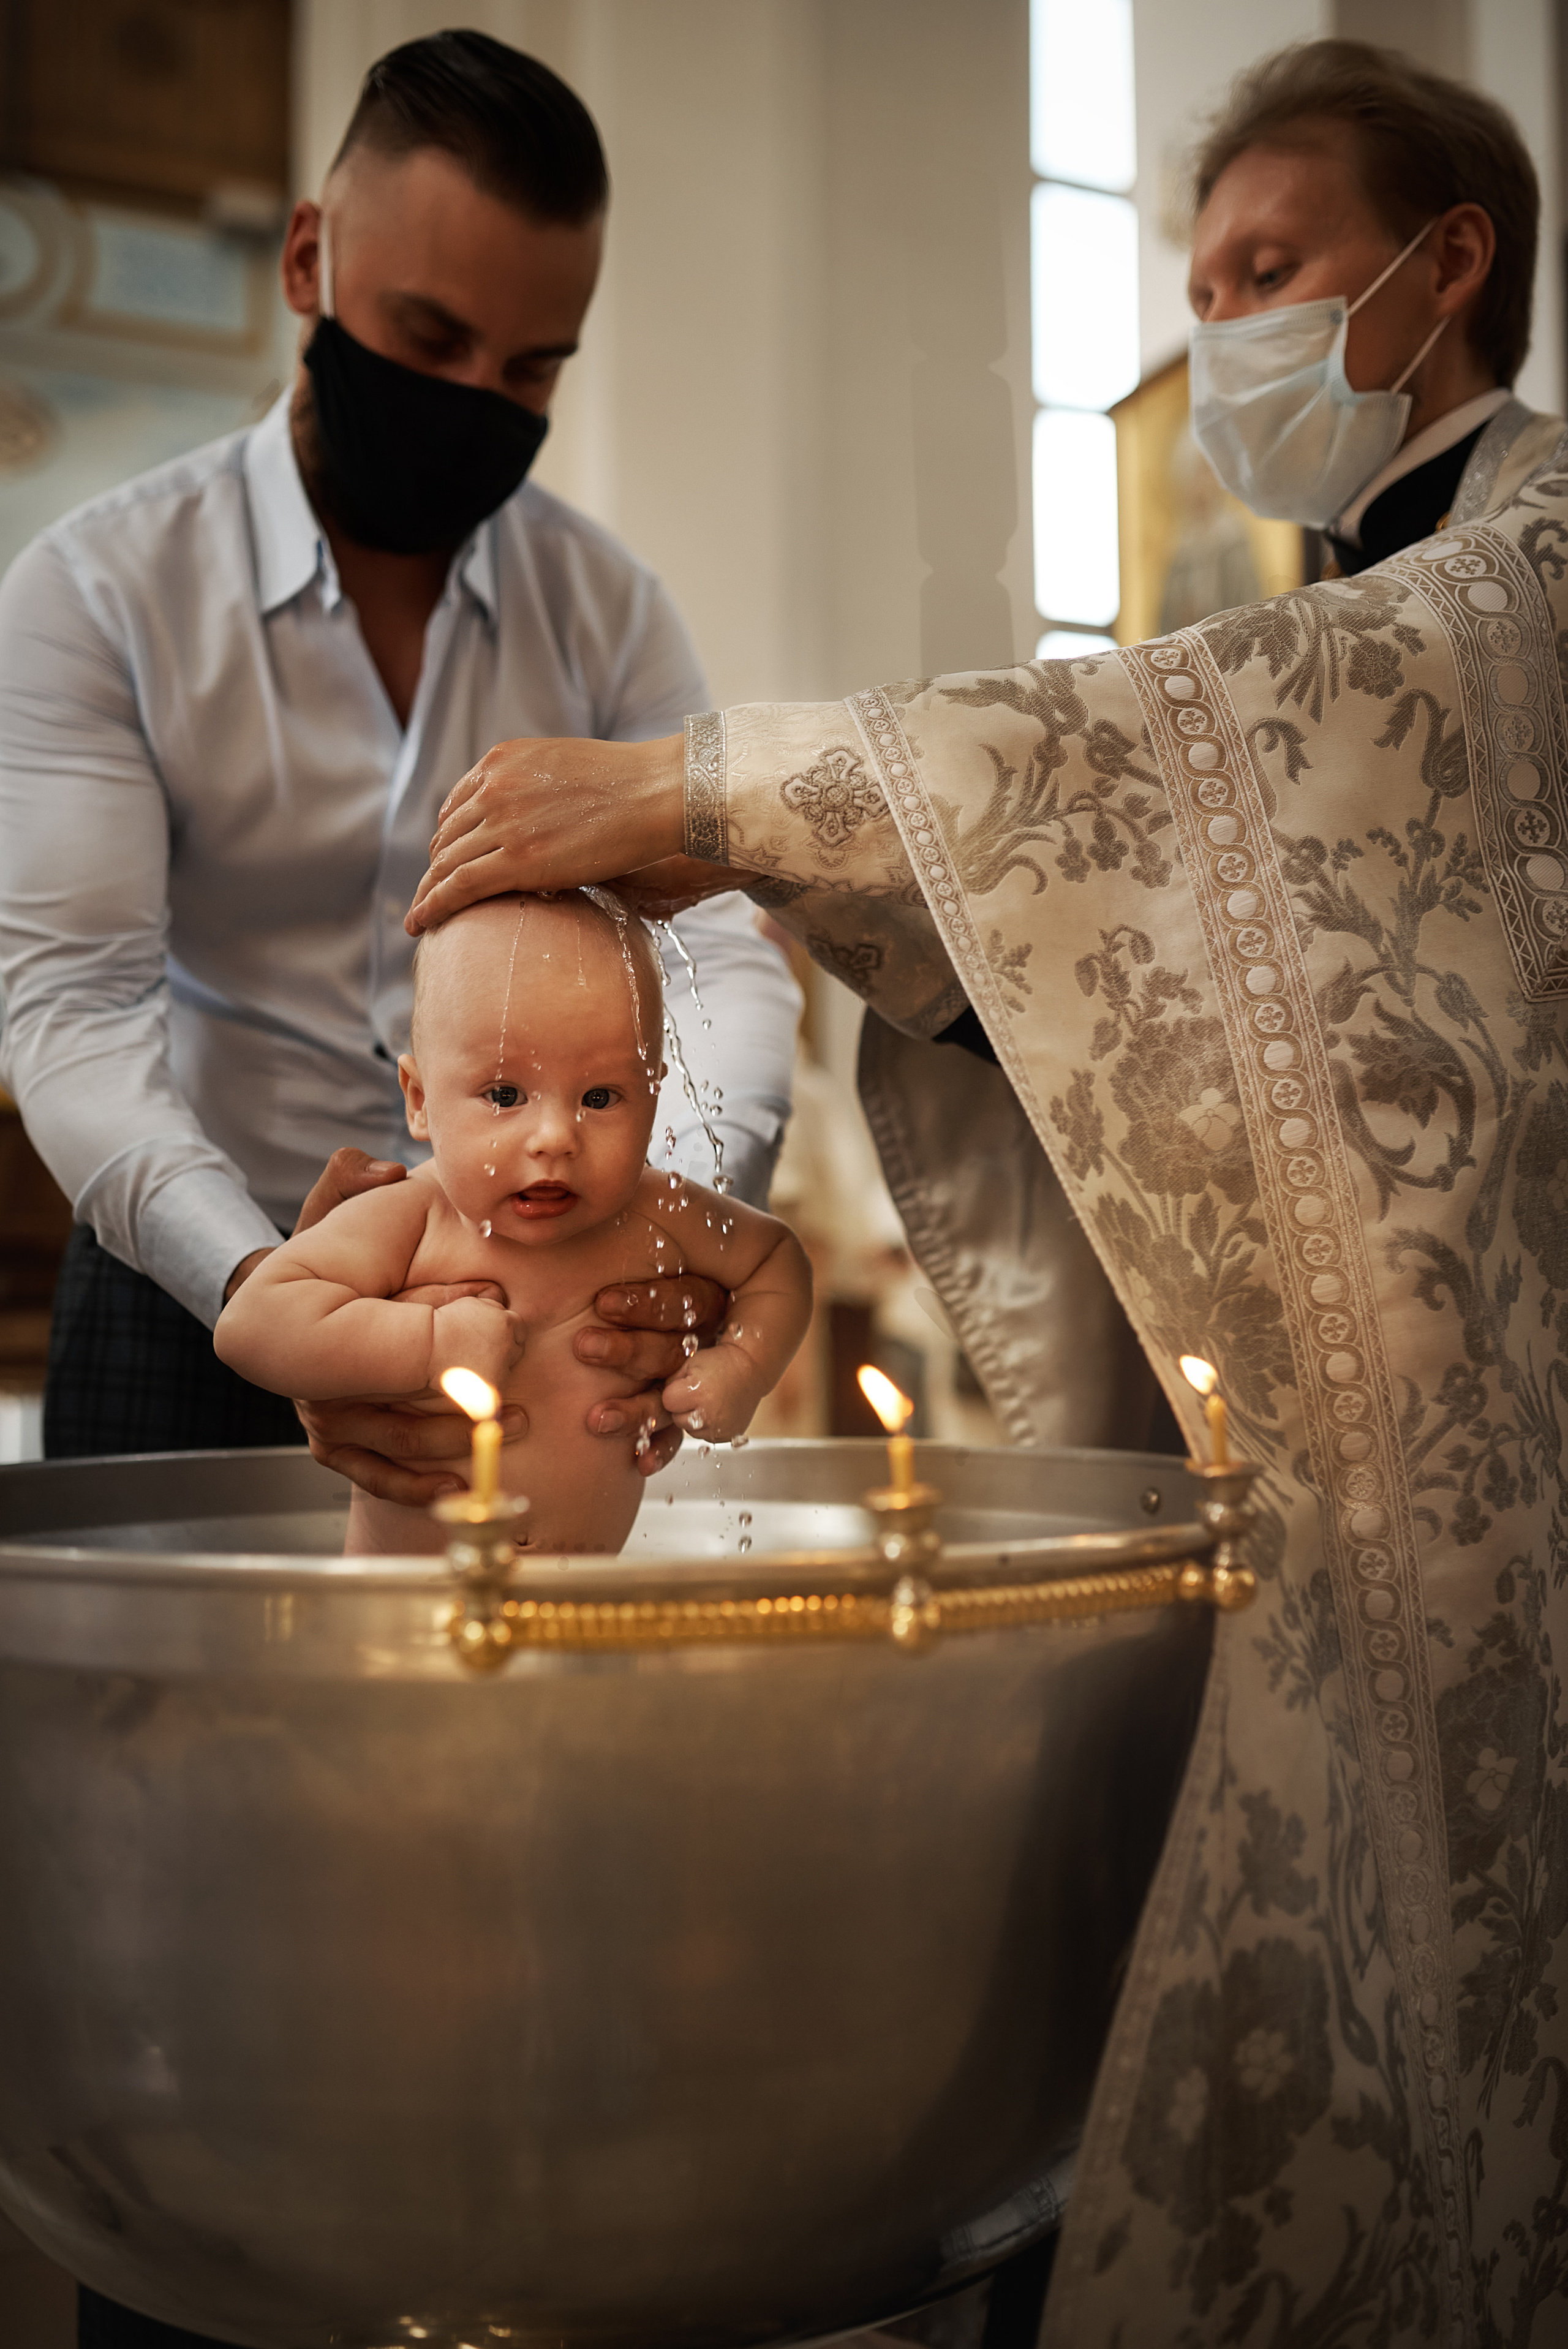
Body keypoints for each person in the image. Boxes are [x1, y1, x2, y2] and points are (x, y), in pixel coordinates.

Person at [405, 41, 1568, 2348]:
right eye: (1194, 273)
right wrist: (932, 953)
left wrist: (722, 786)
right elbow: (1163, 928)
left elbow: (1211, 750)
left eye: (1265, 267)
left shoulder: (1519, 563)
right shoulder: (1330, 575)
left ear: (1446, 267)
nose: (1215, 322)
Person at [0, 30, 797, 1515]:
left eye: (530, 367)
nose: (475, 397)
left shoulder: (606, 611)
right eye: (428, 342)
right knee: (159, 1734)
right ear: (309, 258)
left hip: (543, 1282)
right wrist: (279, 1291)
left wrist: (664, 1215)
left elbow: (716, 944)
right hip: (197, 1276)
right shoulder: (97, 593)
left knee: (509, 1724)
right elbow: (75, 1004)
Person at [216, 890, 811, 1558]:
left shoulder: (658, 1213)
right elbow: (252, 1323)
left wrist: (743, 1364)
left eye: (600, 1097)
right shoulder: (412, 1217)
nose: (555, 1136)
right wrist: (426, 1343)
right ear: (419, 1100)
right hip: (404, 1617)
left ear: (655, 1095)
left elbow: (774, 1261)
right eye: (504, 1095)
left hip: (577, 1616)